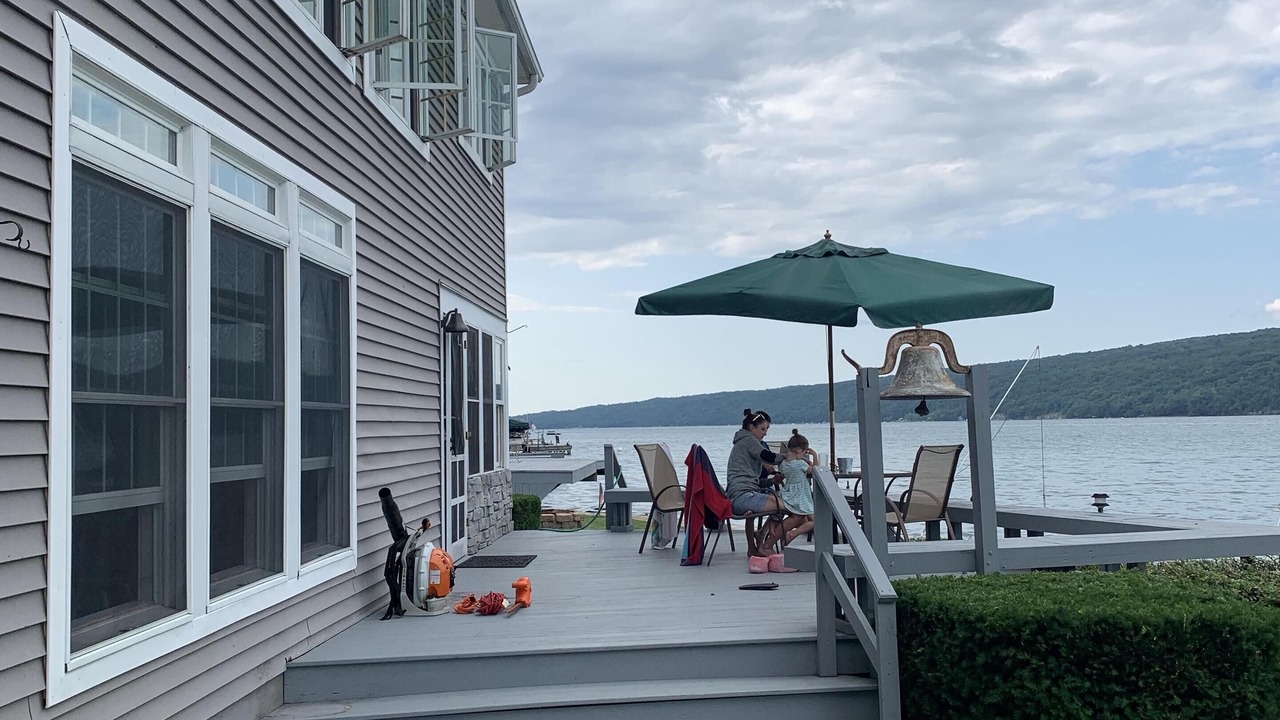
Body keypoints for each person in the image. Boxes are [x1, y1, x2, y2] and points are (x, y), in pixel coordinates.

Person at [725, 409, 805, 562]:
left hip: (744, 493)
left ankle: (763, 536)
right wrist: (792, 457)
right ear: (751, 428)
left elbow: (751, 480)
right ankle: (766, 545)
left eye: (767, 429)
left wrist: (770, 482)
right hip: (742, 497)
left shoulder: (744, 443)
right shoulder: (748, 440)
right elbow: (766, 456)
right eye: (763, 429)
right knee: (797, 509)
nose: (765, 433)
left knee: (788, 505)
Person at [777, 430, 816, 545]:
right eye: (804, 453)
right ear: (800, 451)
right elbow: (813, 470)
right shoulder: (800, 464)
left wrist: (803, 459)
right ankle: (793, 534)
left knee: (803, 519)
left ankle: (788, 535)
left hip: (789, 494)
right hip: (801, 496)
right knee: (815, 521)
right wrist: (815, 456)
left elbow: (792, 467)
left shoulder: (783, 464)